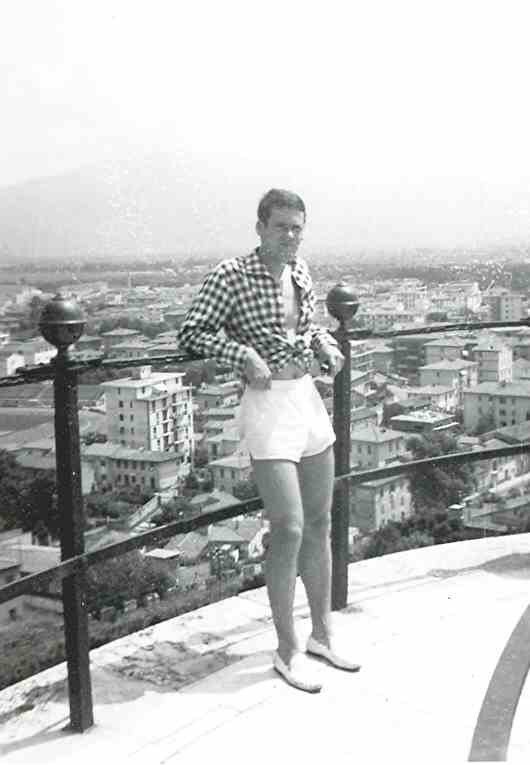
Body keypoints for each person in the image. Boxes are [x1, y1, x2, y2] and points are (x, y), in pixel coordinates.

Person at [178, 188, 360, 692]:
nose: (290, 236)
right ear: (260, 227)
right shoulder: (231, 274)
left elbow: (307, 329)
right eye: (281, 226)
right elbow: (192, 333)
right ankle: (286, 649)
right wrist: (243, 356)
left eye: (297, 227)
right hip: (267, 406)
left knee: (320, 521)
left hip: (305, 399)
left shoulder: (300, 271)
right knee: (289, 526)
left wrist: (326, 346)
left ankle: (322, 635)